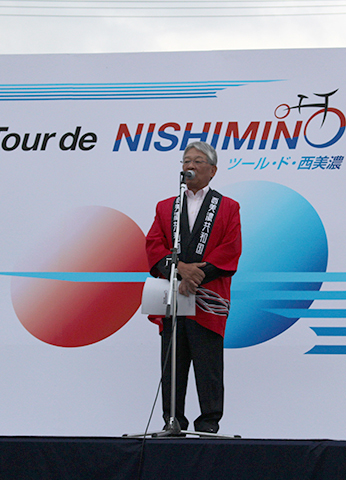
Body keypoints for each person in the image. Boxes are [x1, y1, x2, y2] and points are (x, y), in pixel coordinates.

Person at [145, 141, 242, 434]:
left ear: (212, 170)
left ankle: (209, 423)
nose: (190, 166)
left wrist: (195, 276)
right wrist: (179, 271)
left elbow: (230, 248)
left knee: (208, 363)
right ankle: (172, 420)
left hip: (206, 297)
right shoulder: (166, 207)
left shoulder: (228, 207)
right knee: (172, 362)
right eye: (186, 161)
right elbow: (154, 244)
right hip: (173, 296)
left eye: (198, 161)